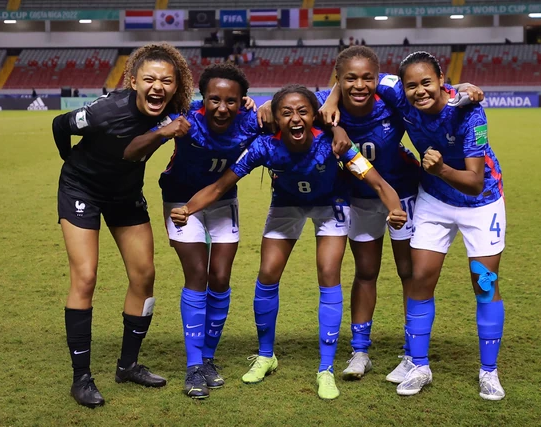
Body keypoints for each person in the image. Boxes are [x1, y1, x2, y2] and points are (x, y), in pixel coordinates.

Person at [170, 84, 407, 400]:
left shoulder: (334, 145)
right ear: (275, 118)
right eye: (286, 113)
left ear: (314, 116)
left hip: (330, 204)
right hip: (286, 202)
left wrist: (395, 208)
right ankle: (266, 356)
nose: (295, 119)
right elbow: (218, 187)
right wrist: (188, 208)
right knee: (268, 273)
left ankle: (325, 369)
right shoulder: (264, 147)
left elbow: (375, 180)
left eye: (303, 112)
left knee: (328, 272)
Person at [51, 43, 193, 408]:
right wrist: (72, 160)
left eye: (166, 80)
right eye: (149, 79)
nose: (157, 86)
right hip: (81, 189)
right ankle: (81, 378)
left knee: (144, 275)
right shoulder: (105, 112)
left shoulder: (175, 110)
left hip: (125, 193)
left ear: (176, 87)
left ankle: (127, 365)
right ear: (133, 81)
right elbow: (60, 124)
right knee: (85, 277)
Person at [124, 63, 261, 399]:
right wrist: (163, 131)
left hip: (223, 200)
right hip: (180, 202)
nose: (222, 107)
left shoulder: (250, 121)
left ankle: (209, 357)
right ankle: (194, 365)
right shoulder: (184, 118)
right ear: (203, 97)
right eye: (214, 99)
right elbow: (131, 150)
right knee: (197, 273)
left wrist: (264, 106)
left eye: (231, 100)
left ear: (242, 100)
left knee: (221, 277)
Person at [376, 51, 506, 400]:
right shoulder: (396, 93)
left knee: (484, 285)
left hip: (480, 203)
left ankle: (489, 372)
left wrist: (440, 170)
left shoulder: (468, 110)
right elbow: (359, 75)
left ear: (442, 80)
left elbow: (475, 181)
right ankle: (419, 365)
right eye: (411, 85)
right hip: (434, 200)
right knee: (420, 278)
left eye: (427, 83)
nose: (419, 91)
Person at [313, 46, 421, 381]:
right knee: (366, 271)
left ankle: (412, 351)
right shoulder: (321, 102)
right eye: (350, 79)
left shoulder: (392, 96)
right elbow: (283, 105)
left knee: (409, 271)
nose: (360, 85)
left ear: (377, 77)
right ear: (337, 80)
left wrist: (461, 90)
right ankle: (360, 351)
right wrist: (330, 113)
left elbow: (430, 91)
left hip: (402, 192)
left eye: (367, 78)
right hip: (358, 197)